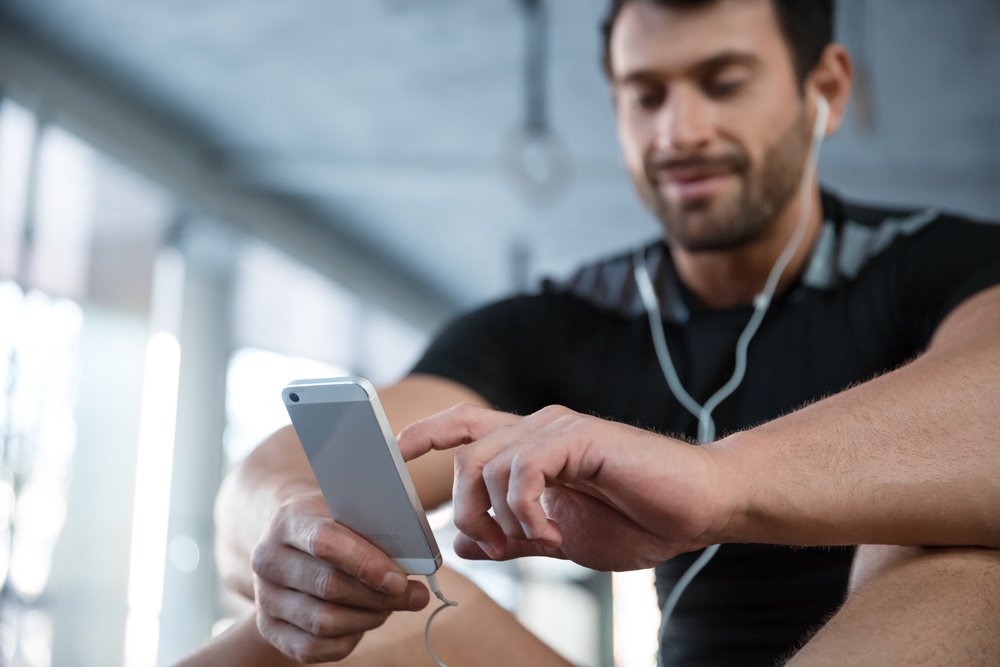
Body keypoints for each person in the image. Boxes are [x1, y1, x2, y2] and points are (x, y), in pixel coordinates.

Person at [209, 0, 1000, 665]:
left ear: (822, 87)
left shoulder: (942, 263)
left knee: (961, 546)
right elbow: (279, 469)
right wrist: (296, 532)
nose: (680, 130)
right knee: (350, 612)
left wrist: (715, 481)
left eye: (723, 84)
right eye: (645, 94)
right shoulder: (562, 320)